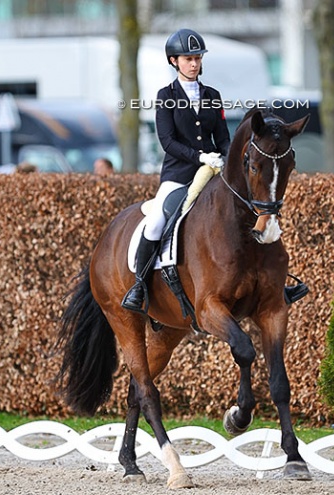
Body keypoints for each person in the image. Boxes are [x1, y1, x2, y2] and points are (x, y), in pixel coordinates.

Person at [121, 28, 230, 313]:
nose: (194, 64)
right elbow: (167, 141)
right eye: (187, 59)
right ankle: (139, 286)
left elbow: (224, 137)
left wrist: (227, 159)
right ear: (174, 61)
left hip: (214, 174)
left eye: (197, 58)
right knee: (156, 220)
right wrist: (200, 156)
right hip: (178, 176)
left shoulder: (212, 95)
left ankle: (273, 283)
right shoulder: (165, 96)